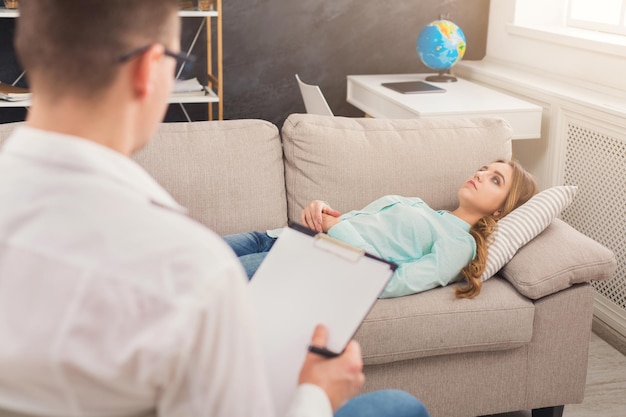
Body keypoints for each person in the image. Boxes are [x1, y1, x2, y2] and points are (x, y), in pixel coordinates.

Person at [0, 1, 429, 417]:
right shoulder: (189, 270)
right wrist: (318, 393)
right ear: (149, 70)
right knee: (402, 406)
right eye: (178, 61)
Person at [224, 160, 538, 299]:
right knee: (181, 256)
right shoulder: (425, 209)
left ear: (500, 209)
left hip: (306, 262)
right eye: (485, 169)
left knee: (195, 283)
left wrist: (338, 228)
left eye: (495, 179)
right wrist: (323, 211)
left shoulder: (459, 244)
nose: (482, 174)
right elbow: (356, 225)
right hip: (277, 237)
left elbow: (389, 282)